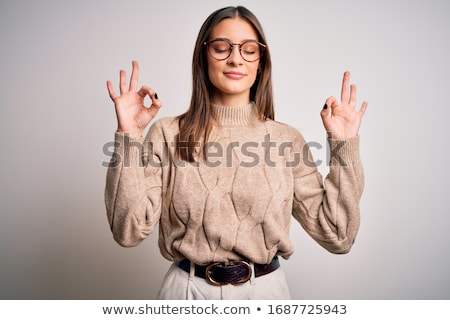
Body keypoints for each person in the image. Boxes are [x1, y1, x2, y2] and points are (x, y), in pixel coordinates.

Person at [105, 6, 367, 300]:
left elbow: (339, 235)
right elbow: (127, 231)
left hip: (265, 294)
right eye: (220, 48)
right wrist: (129, 135)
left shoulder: (286, 140)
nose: (235, 58)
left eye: (249, 50)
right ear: (203, 56)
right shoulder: (167, 134)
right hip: (186, 294)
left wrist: (344, 145)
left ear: (260, 62)